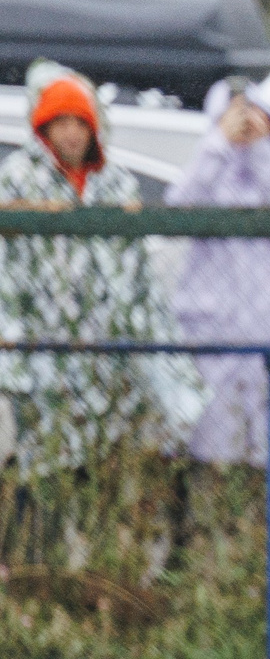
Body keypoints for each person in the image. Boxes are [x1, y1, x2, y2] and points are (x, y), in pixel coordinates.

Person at [0, 61, 204, 473]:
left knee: (108, 463)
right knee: (43, 463)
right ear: (44, 128)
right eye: (61, 122)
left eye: (81, 121)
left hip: (112, 352)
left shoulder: (117, 183)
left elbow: (139, 275)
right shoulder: (17, 180)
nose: (72, 132)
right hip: (44, 347)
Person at [167, 79, 270, 470]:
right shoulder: (204, 172)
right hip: (212, 336)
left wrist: (260, 151)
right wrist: (219, 144)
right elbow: (178, 210)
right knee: (213, 455)